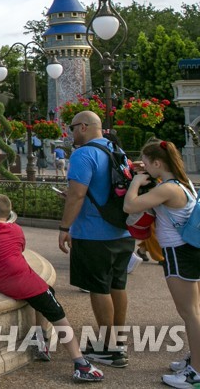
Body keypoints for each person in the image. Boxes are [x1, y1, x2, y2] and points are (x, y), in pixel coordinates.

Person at [0, 194, 104, 382]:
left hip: (4, 282)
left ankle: (39, 337)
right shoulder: (16, 230)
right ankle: (80, 363)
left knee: (48, 290)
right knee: (59, 317)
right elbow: (19, 249)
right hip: (24, 282)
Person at [58, 110, 133, 369]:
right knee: (117, 285)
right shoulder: (117, 150)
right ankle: (117, 341)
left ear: (84, 126)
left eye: (72, 128)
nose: (71, 133)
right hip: (122, 232)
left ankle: (108, 349)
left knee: (98, 287)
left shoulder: (83, 154)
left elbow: (77, 194)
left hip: (93, 233)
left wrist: (65, 226)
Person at [122, 140, 200, 387]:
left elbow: (129, 205)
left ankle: (196, 373)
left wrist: (135, 183)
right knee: (194, 312)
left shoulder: (167, 189)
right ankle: (196, 360)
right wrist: (140, 169)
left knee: (190, 314)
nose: (143, 167)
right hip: (189, 251)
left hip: (179, 253)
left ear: (157, 163)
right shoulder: (182, 183)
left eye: (146, 163)